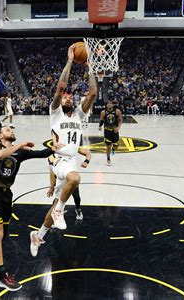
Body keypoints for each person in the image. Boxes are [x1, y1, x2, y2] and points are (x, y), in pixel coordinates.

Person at [29, 44, 97, 257]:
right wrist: (70, 60)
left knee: (58, 201)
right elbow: (60, 87)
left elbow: (93, 92)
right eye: (65, 96)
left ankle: (38, 236)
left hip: (70, 162)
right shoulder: (55, 113)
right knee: (75, 179)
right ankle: (60, 212)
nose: (68, 97)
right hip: (57, 160)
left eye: (70, 97)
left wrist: (90, 66)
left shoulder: (79, 114)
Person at [0, 126, 59, 291]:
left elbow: (41, 153)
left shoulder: (20, 152)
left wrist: (53, 147)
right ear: (1, 135)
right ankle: (2, 276)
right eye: (8, 130)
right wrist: (20, 145)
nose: (11, 131)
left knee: (3, 233)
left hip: (6, 195)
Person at [47, 147, 91, 221]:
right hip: (60, 180)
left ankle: (78, 209)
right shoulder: (53, 154)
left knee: (77, 197)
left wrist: (86, 161)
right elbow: (52, 172)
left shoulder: (72, 146)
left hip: (72, 178)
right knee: (56, 201)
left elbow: (88, 153)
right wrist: (51, 187)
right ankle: (55, 217)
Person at [99, 99, 123, 166]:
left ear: (112, 104)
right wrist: (100, 126)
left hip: (115, 131)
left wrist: (118, 128)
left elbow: (120, 120)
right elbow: (101, 120)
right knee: (108, 146)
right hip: (107, 131)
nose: (109, 104)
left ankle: (113, 150)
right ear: (106, 105)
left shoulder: (117, 111)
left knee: (116, 146)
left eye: (110, 103)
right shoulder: (103, 112)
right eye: (108, 103)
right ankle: (108, 158)